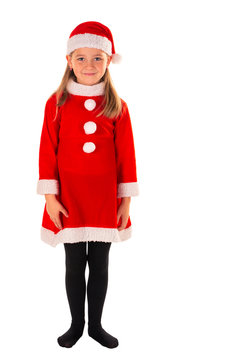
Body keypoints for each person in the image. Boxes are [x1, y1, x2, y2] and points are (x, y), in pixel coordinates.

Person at [36, 21, 139, 349]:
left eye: (98, 58)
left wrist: (125, 202)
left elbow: (127, 157)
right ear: (69, 61)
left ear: (109, 61)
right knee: (73, 263)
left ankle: (95, 325)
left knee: (100, 263)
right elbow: (46, 152)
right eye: (81, 58)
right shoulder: (56, 103)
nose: (89, 65)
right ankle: (75, 324)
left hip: (103, 200)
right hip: (69, 199)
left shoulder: (118, 108)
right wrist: (50, 198)